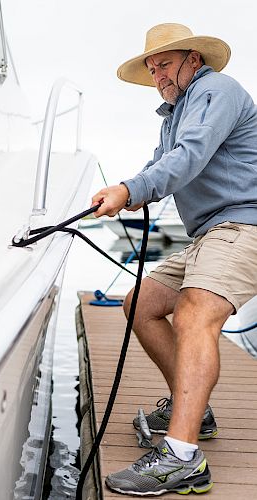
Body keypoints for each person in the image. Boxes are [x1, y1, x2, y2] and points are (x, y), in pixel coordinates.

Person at [91, 23, 257, 496]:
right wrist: (129, 190)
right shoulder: (174, 114)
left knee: (194, 314)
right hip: (210, 233)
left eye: (164, 63)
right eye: (151, 67)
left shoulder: (215, 91)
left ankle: (183, 456)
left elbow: (191, 155)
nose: (157, 72)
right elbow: (160, 162)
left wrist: (132, 189)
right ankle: (195, 411)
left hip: (246, 225)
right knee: (139, 303)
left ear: (193, 59)